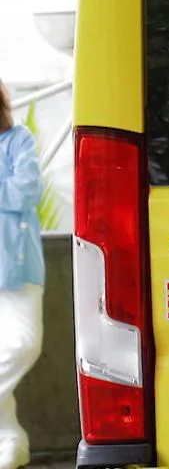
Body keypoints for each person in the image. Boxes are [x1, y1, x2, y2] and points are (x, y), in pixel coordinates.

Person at [0, 80, 44, 469]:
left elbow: (28, 190)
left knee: (23, 345)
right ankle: (11, 449)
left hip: (17, 265)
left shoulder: (16, 139)